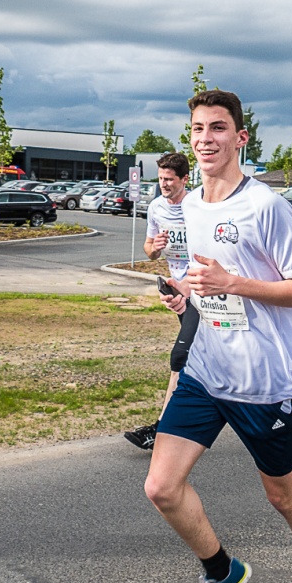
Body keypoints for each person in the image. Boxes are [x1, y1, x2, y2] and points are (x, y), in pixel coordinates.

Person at [143, 89, 292, 583]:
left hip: (261, 380)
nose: (206, 139)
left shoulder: (265, 205)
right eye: (199, 129)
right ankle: (221, 571)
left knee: (282, 496)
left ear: (240, 137)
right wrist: (185, 295)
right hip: (205, 369)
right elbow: (206, 282)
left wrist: (233, 284)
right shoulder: (189, 206)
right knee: (160, 487)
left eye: (218, 128)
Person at [124, 153, 198, 450]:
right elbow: (149, 250)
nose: (164, 184)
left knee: (181, 357)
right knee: (199, 359)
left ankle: (162, 429)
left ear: (184, 180)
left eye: (169, 179)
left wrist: (191, 284)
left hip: (203, 290)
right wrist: (154, 249)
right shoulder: (155, 207)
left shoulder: (198, 206)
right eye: (160, 179)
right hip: (177, 288)